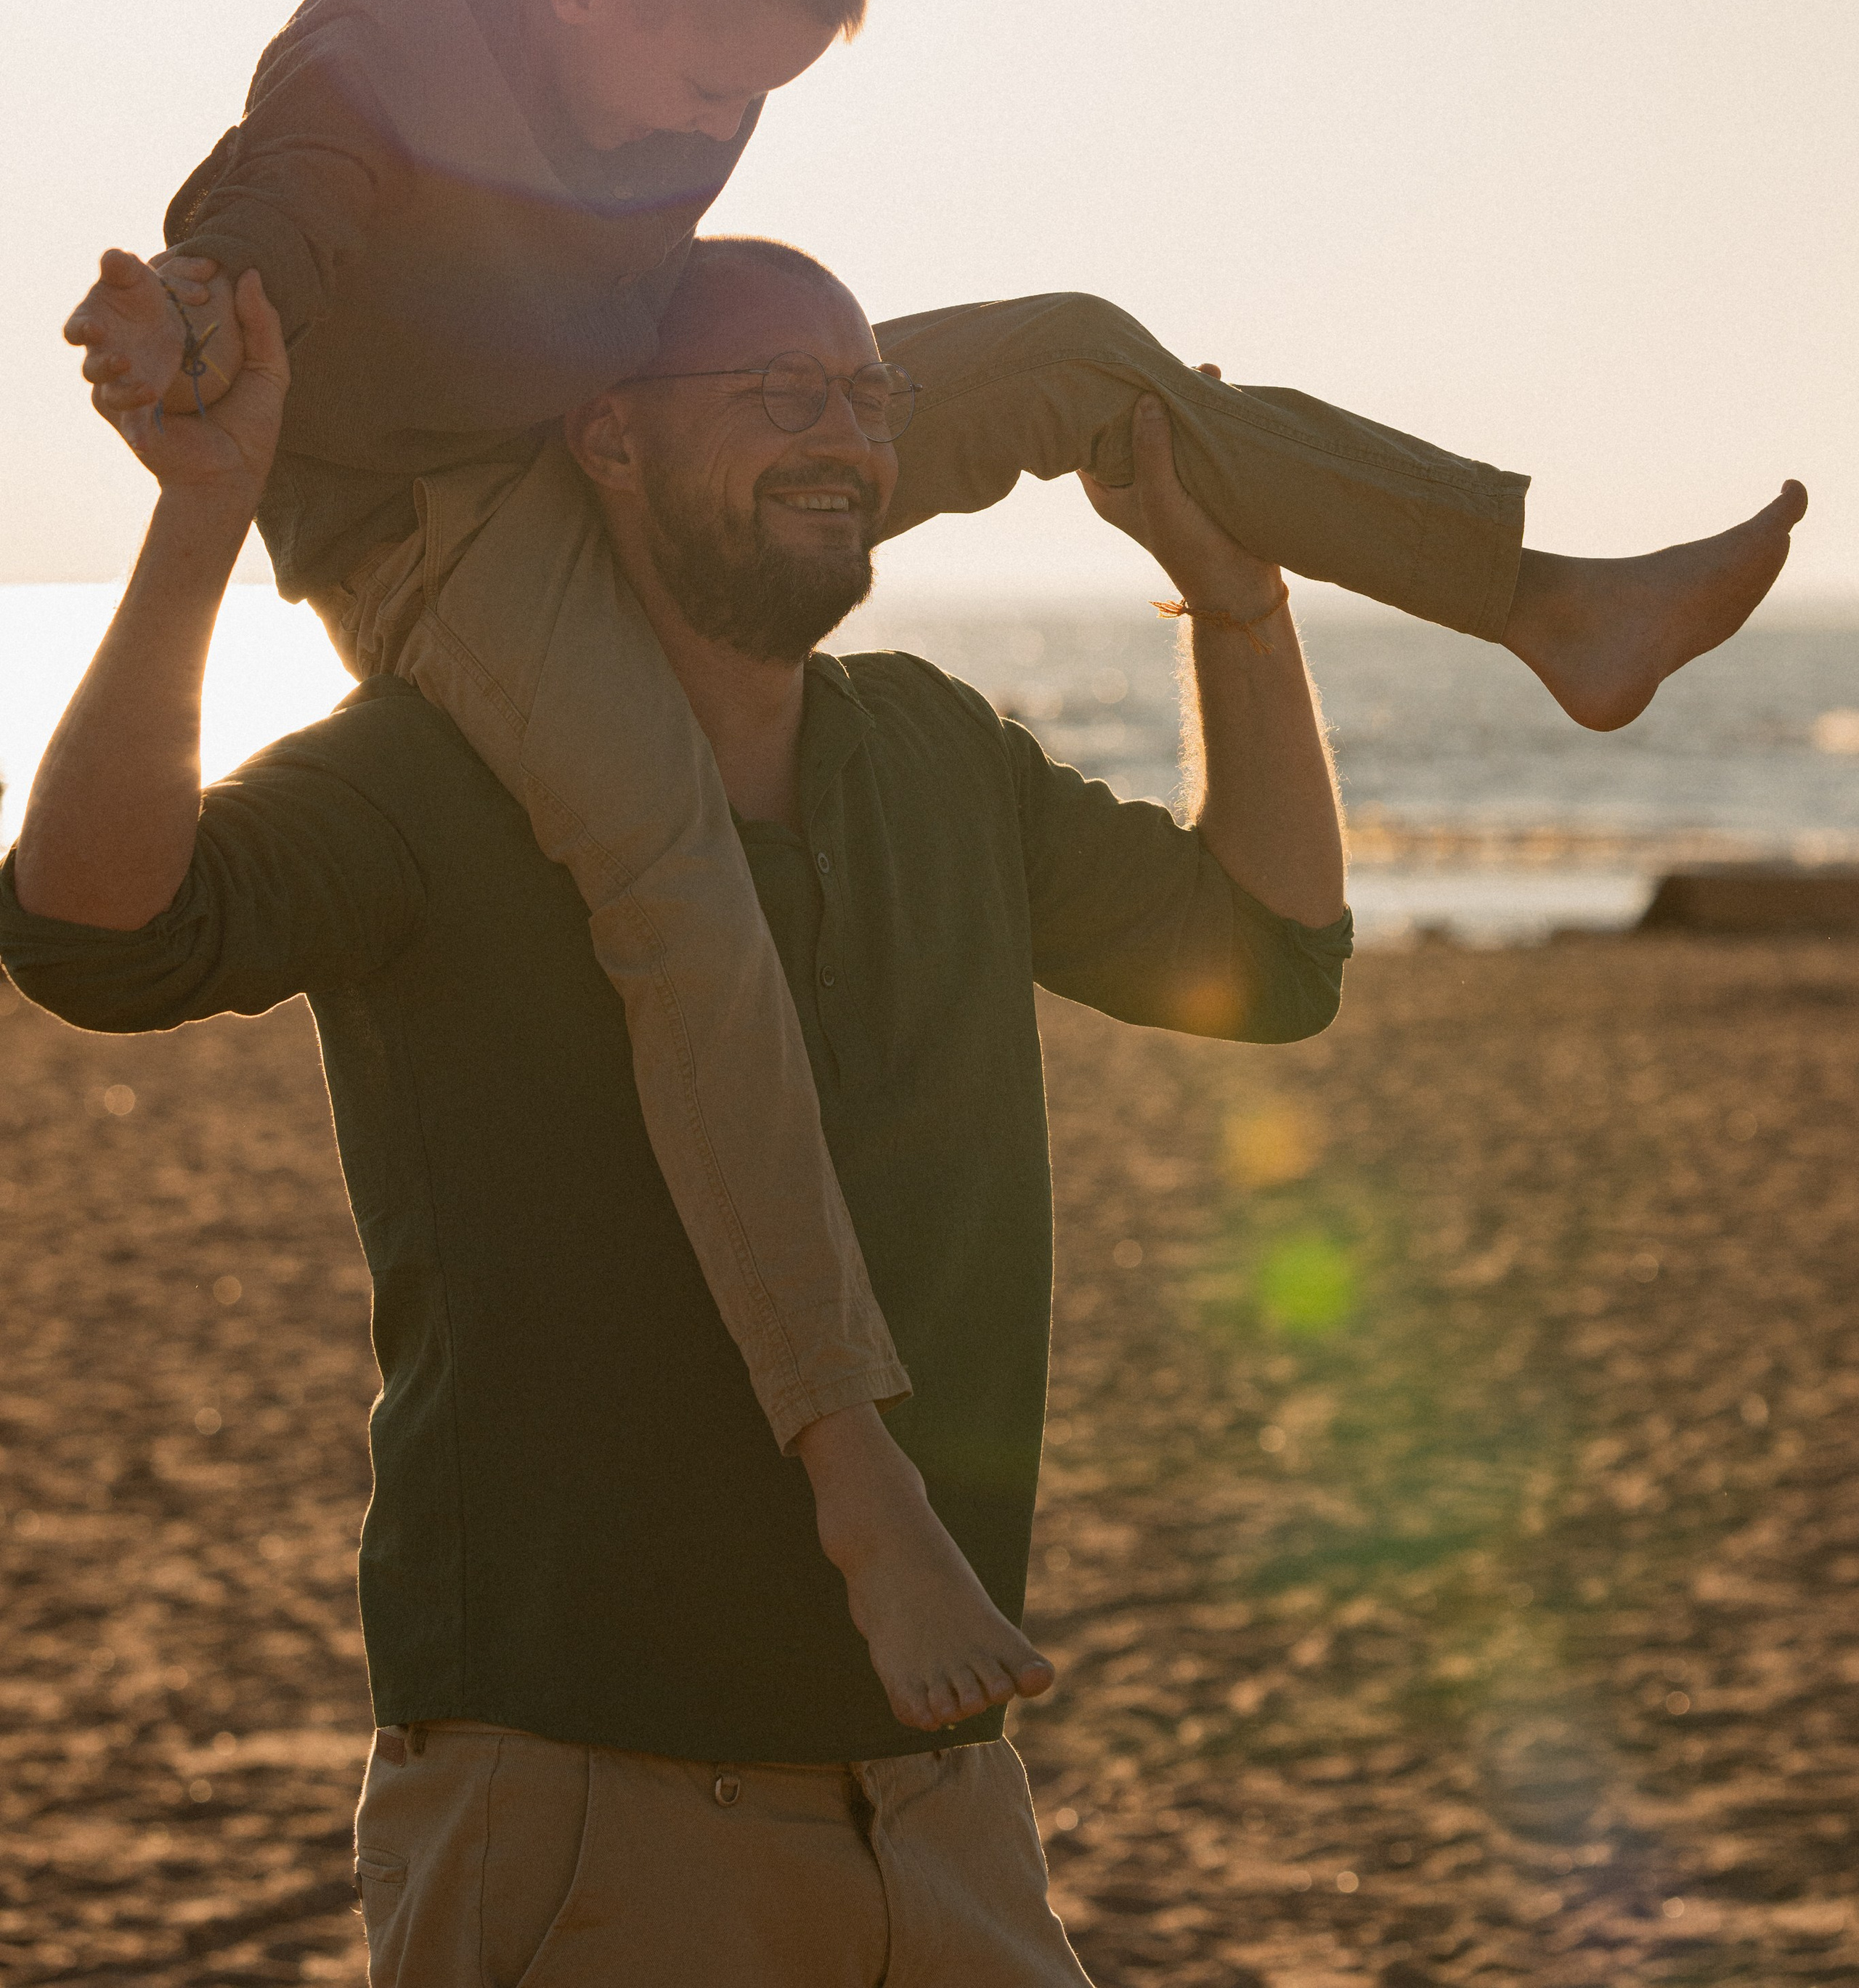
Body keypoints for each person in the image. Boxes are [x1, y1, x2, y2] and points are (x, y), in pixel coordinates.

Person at [60, 0, 1806, 1727]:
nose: (723, 119)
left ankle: (1543, 603)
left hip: (633, 382)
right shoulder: (383, 67)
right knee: (673, 883)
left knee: (1085, 346)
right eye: (704, 87)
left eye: (762, 94)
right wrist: (168, 327)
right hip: (435, 515)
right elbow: (240, 242)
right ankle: (858, 1481)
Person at [6, 237, 1351, 1984]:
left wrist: (1236, 602)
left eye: (863, 397)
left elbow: (1268, 958)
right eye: (775, 393)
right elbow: (97, 937)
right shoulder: (432, 767)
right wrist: (201, 520)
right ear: (608, 440)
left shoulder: (935, 754)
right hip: (584, 1803)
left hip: (940, 1806)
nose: (839, 437)